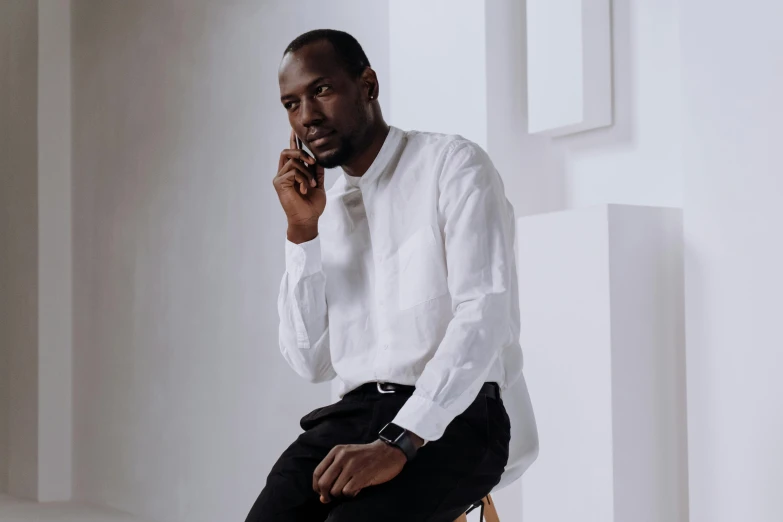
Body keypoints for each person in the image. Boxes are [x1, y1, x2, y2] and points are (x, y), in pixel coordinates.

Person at [245, 29, 524, 522]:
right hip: (349, 417)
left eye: (321, 91)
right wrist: (301, 233)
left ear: (368, 85)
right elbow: (311, 362)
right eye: (291, 104)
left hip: (457, 416)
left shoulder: (453, 166)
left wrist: (399, 439)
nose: (306, 116)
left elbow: (483, 316)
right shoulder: (321, 209)